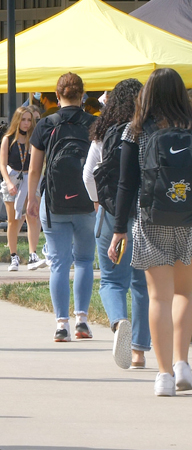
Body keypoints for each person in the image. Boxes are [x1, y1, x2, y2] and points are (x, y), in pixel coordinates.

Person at [108, 68, 192, 396]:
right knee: (185, 294)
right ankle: (183, 363)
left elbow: (126, 183)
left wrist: (118, 230)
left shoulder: (135, 130)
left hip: (151, 220)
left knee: (159, 296)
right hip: (189, 219)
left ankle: (164, 375)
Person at [82, 78, 150, 369]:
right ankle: (138, 352)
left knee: (111, 280)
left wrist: (99, 202)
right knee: (142, 285)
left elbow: (88, 175)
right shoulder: (148, 130)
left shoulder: (102, 133)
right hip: (145, 214)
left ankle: (118, 321)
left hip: (111, 213)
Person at [27, 73, 96, 342]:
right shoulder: (94, 124)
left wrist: (32, 198)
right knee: (85, 261)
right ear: (82, 96)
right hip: (87, 201)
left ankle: (61, 325)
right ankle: (82, 321)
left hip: (54, 203)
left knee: (58, 263)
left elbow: (34, 169)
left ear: (57, 96)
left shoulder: (46, 124)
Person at [0, 107, 45, 272]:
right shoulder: (8, 138)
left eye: (29, 120)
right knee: (14, 220)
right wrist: (9, 183)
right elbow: (2, 165)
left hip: (31, 179)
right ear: (17, 120)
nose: (26, 123)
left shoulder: (34, 138)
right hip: (13, 179)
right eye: (23, 120)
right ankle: (13, 255)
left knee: (33, 216)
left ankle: (33, 254)